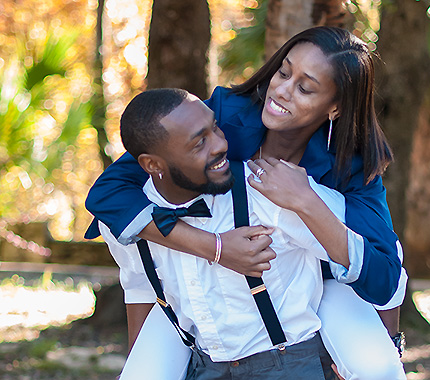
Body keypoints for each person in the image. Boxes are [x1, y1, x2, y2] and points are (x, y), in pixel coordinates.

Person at [86, 26, 407, 378]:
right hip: (205, 284)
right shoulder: (224, 117)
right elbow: (109, 192)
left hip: (323, 281)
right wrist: (216, 248)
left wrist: (306, 200)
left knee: (375, 368)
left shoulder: (352, 167)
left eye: (305, 87)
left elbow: (387, 275)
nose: (282, 90)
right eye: (283, 72)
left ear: (335, 107)